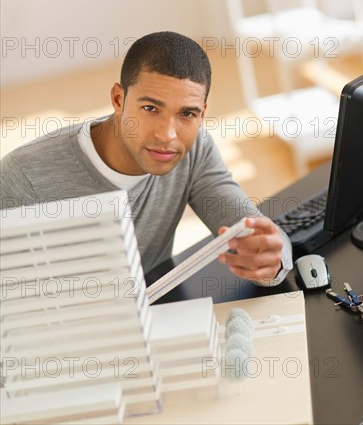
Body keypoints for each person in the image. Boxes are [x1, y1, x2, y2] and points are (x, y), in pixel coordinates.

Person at [0, 31, 292, 284]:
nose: (167, 135)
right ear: (118, 99)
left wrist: (269, 258)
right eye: (151, 108)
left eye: (186, 114)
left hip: (153, 319)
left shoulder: (194, 150)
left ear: (202, 113)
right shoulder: (22, 178)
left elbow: (255, 229)